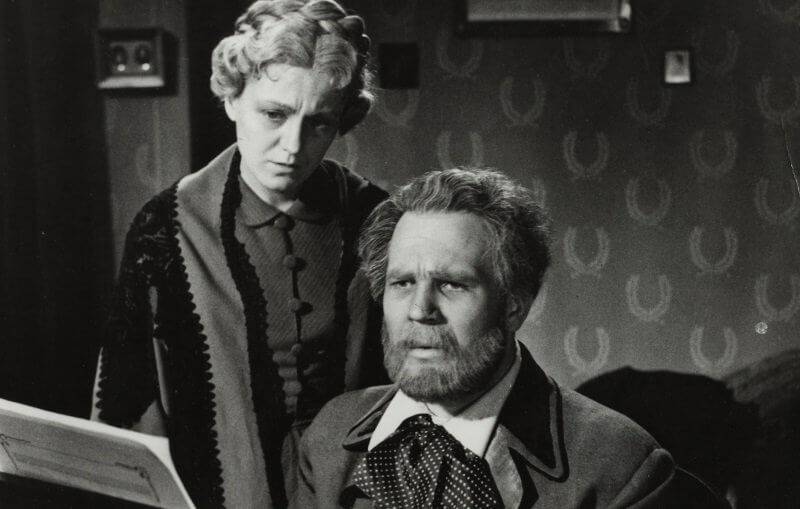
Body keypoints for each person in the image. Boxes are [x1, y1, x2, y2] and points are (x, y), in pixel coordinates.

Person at [91, 1, 387, 508]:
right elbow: (128, 403)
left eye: (319, 123)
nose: (292, 146)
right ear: (231, 99)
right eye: (274, 114)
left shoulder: (376, 218)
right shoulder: (165, 227)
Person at [295, 168, 677, 508]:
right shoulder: (330, 436)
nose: (419, 309)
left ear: (515, 305)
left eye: (451, 284)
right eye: (403, 283)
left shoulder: (621, 467)